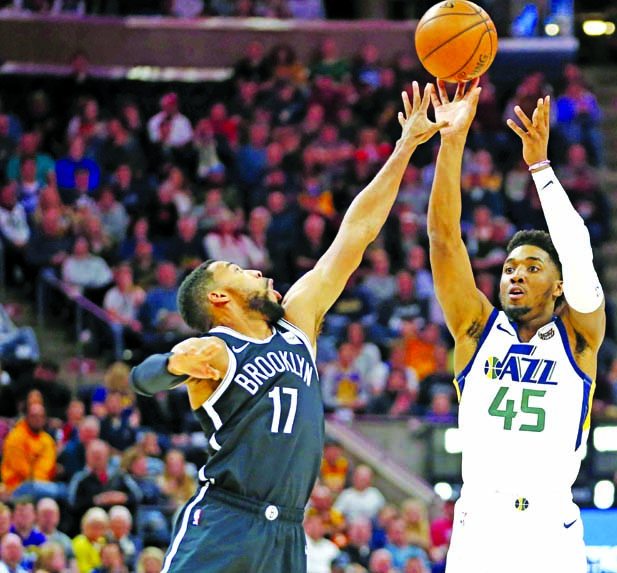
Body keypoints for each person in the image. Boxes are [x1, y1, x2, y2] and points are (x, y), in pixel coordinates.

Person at [127, 82, 447, 573]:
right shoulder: (215, 350)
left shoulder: (298, 322)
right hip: (226, 521)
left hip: (288, 532)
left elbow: (355, 233)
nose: (259, 272)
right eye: (241, 271)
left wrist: (406, 146)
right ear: (219, 298)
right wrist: (171, 363)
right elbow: (141, 379)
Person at [426, 80, 605, 573]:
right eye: (509, 268)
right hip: (480, 524)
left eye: (531, 267)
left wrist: (541, 170)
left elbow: (578, 252)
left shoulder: (579, 336)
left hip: (551, 528)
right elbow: (444, 242)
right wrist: (452, 140)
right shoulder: (475, 329)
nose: (516, 275)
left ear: (559, 286)